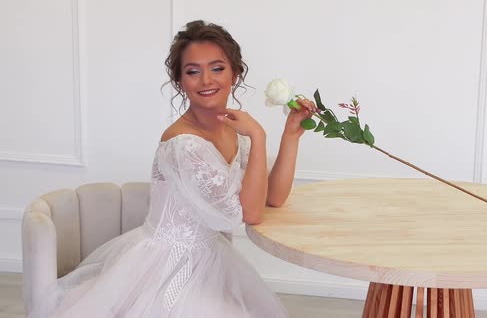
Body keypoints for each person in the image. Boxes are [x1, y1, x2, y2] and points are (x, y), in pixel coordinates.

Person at [29, 20, 317, 317]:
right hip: (167, 267)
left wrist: (290, 134)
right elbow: (252, 213)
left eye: (217, 68)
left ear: (235, 72)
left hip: (208, 258)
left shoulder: (234, 128)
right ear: (180, 80)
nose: (206, 80)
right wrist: (258, 136)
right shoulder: (183, 144)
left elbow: (273, 197)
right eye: (193, 71)